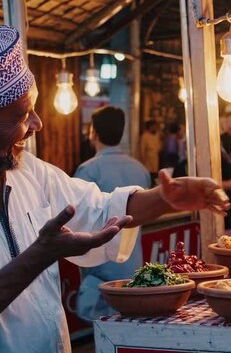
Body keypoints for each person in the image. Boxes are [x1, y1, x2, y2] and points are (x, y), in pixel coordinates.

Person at [0, 25, 229, 353]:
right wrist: (41, 255)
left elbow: (102, 209)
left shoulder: (28, 170)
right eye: (22, 116)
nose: (37, 124)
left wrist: (164, 198)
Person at [73, 106, 150, 321]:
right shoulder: (140, 169)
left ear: (93, 134)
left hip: (101, 273)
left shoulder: (88, 170)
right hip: (133, 268)